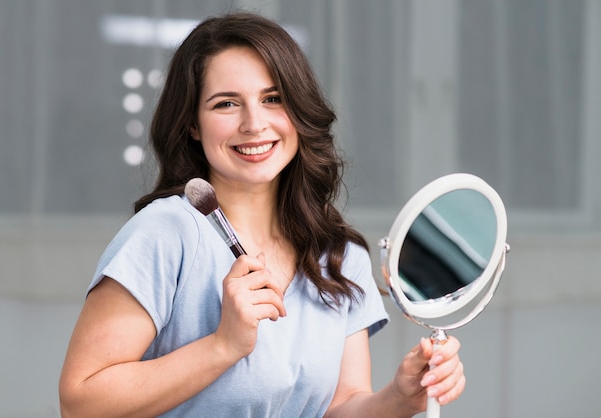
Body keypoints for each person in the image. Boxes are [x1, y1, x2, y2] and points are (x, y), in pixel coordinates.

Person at [59, 12, 465, 417]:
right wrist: (223, 346)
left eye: (273, 99)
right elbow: (80, 404)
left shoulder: (339, 257)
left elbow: (339, 406)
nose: (254, 124)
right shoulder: (164, 233)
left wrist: (398, 398)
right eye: (226, 104)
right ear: (192, 125)